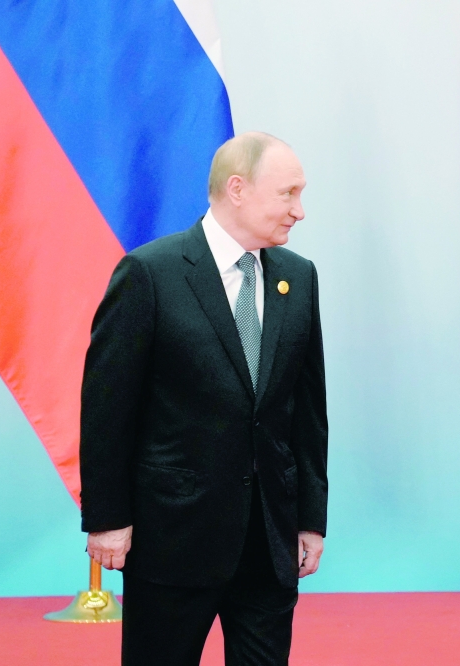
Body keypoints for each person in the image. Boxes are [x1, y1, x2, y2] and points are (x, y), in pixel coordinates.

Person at [80, 132, 328, 666]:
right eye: (287, 194)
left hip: (268, 541)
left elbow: (307, 411)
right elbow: (107, 409)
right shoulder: (150, 274)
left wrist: (310, 516)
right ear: (237, 189)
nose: (299, 211)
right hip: (173, 540)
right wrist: (106, 518)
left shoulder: (298, 278)